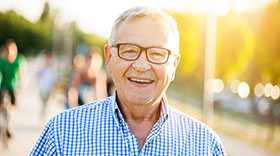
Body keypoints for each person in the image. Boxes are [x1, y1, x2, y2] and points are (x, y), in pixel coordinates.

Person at [30, 6, 227, 155]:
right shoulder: (62, 133)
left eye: (157, 54)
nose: (141, 65)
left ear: (173, 65)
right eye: (129, 50)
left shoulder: (205, 146)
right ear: (109, 58)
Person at [0, 39, 27, 137]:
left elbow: (22, 72)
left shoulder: (18, 60)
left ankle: (10, 126)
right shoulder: (2, 61)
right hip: (4, 86)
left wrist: (22, 83)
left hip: (14, 88)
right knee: (2, 104)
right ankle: (2, 121)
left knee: (12, 108)